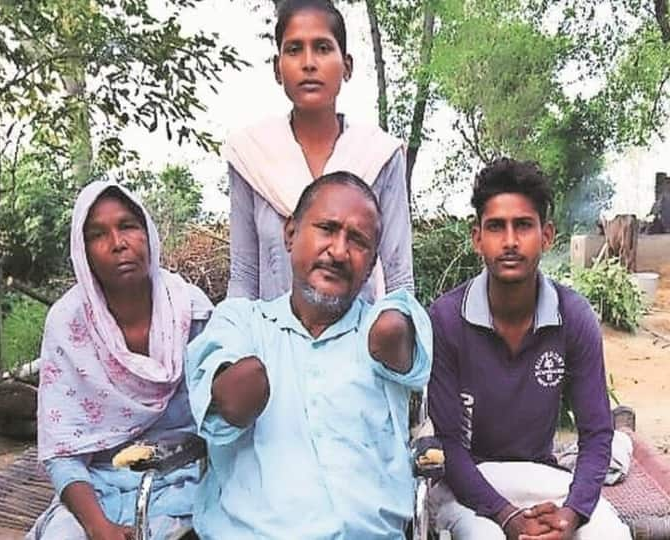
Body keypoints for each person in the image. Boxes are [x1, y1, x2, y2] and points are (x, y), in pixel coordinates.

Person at [185, 172, 432, 539]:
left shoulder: (382, 329)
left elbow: (396, 336)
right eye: (327, 229)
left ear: (371, 264)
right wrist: (248, 381)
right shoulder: (242, 322)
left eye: (358, 241)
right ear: (290, 234)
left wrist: (392, 322)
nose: (338, 251)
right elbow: (229, 402)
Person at [426, 158, 631, 539]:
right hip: (466, 485)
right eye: (496, 227)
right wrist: (507, 518)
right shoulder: (447, 319)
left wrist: (572, 514)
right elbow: (449, 446)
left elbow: (597, 434)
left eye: (523, 225)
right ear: (476, 238)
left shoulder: (572, 316)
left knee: (610, 534)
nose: (509, 241)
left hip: (539, 477)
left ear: (547, 235)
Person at [27, 181, 213, 540]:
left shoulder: (193, 312)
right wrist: (98, 527)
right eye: (98, 234)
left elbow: (219, 425)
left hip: (184, 481)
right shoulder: (68, 323)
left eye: (128, 226)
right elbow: (62, 447)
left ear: (148, 234)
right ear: (83, 253)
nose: (118, 243)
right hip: (96, 489)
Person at [224, 0, 413, 302]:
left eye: (323, 48)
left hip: (360, 341)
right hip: (270, 343)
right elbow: (244, 276)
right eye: (294, 49)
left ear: (347, 66)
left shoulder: (378, 155)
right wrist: (234, 344)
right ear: (277, 68)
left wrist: (393, 337)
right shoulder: (251, 155)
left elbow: (399, 276)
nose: (308, 63)